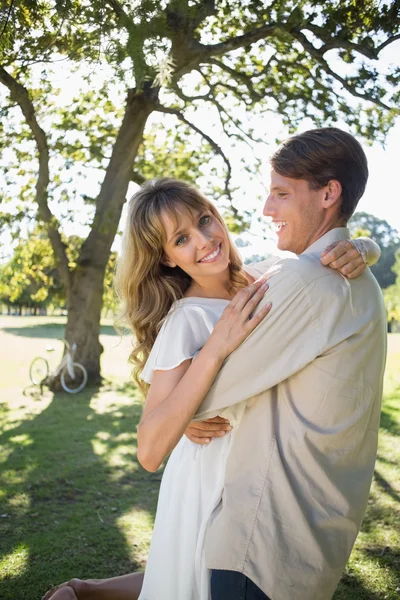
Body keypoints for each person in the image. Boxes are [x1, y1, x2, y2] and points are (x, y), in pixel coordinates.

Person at [42, 131, 382, 600]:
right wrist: (215, 349)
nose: (204, 240)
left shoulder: (260, 278)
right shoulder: (185, 320)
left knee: (186, 577)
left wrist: (362, 247)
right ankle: (82, 592)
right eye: (182, 239)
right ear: (166, 257)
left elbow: (312, 268)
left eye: (205, 220)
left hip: (246, 476)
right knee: (184, 576)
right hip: (209, 479)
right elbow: (147, 449)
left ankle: (85, 592)